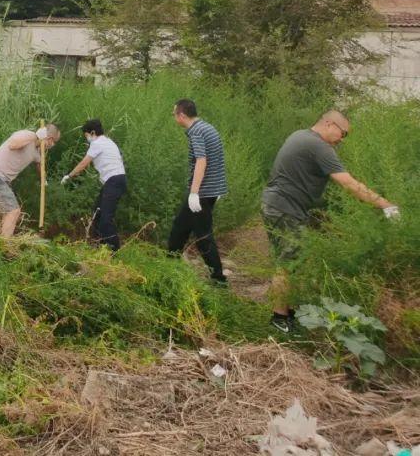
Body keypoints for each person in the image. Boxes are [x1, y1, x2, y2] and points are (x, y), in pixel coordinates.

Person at [261, 110, 400, 333]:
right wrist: (386, 205)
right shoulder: (319, 146)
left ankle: (287, 311)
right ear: (329, 124)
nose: (342, 140)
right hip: (284, 207)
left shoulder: (300, 136)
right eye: (343, 133)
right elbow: (348, 183)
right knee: (287, 264)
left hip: (278, 205)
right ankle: (279, 319)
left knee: (291, 261)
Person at [166, 99, 228, 286]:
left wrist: (194, 193)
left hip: (201, 192)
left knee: (203, 236)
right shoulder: (208, 127)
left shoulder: (197, 132)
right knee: (180, 228)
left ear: (182, 115)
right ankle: (169, 265)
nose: (174, 117)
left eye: (174, 113)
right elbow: (217, 157)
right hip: (210, 189)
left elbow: (202, 161)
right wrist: (216, 190)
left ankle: (219, 279)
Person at [0, 124, 60, 238]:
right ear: (49, 137)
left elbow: (40, 165)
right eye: (53, 141)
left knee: (7, 212)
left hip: (1, 180)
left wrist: (44, 180)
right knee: (13, 211)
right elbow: (13, 144)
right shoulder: (28, 135)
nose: (52, 145)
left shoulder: (37, 151)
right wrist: (36, 136)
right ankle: (4, 245)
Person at [61, 119, 127, 251]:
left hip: (114, 180)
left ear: (92, 132)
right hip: (115, 180)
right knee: (98, 212)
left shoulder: (97, 143)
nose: (87, 138)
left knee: (105, 218)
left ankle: (114, 249)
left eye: (86, 135)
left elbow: (84, 163)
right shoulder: (109, 141)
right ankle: (100, 245)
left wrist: (69, 176)